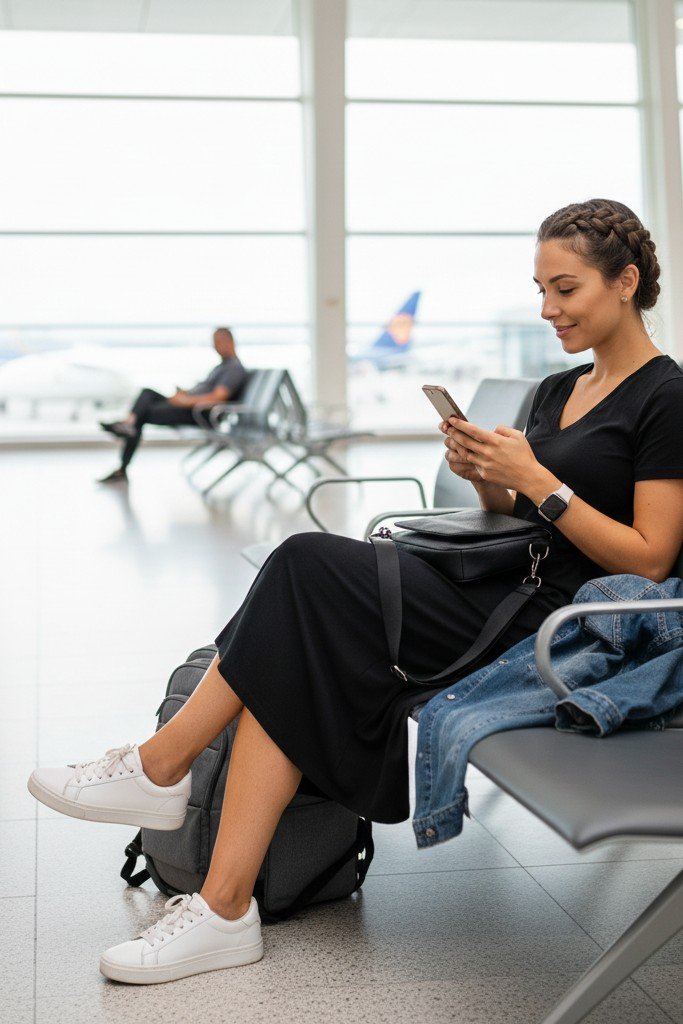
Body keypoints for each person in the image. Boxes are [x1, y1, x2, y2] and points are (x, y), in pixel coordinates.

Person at [28, 199, 683, 984]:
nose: (547, 309)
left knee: (305, 567)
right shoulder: (556, 390)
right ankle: (224, 904)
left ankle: (162, 771)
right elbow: (512, 517)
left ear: (625, 283)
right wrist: (489, 477)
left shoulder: (664, 398)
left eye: (565, 289)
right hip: (498, 583)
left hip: (560, 624)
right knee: (303, 633)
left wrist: (536, 480)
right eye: (539, 289)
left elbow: (647, 563)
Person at [98, 327, 247, 483]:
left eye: (218, 342)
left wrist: (185, 400)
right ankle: (129, 425)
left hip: (197, 413)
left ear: (230, 342)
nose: (215, 346)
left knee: (143, 413)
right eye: (214, 342)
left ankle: (127, 436)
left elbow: (218, 398)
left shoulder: (233, 368)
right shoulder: (221, 367)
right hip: (189, 405)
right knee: (147, 393)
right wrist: (185, 393)